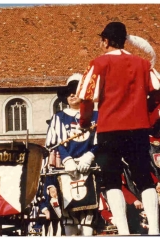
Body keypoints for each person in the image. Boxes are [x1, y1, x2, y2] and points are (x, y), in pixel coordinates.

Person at [76, 21, 160, 235]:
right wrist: (147, 115)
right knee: (144, 177)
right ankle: (154, 231)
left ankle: (123, 232)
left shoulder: (98, 63)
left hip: (109, 130)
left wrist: (84, 122)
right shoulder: (142, 64)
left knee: (111, 180)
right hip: (139, 130)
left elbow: (85, 98)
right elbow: (157, 92)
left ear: (105, 41)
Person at [44, 73, 98, 236]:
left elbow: (101, 141)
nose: (72, 95)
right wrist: (67, 159)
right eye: (69, 92)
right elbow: (54, 143)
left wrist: (89, 156)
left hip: (89, 168)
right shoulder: (58, 118)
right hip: (66, 170)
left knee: (88, 218)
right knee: (69, 218)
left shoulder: (96, 116)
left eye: (75, 90)